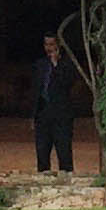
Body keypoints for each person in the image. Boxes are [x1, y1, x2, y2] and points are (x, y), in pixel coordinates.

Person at [32, 31, 74, 174]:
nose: (48, 48)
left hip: (61, 114)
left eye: (52, 44)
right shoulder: (40, 64)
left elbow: (67, 84)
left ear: (58, 45)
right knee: (42, 149)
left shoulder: (66, 64)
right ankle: (43, 177)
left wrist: (56, 65)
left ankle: (66, 178)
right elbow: (36, 89)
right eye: (46, 44)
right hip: (43, 113)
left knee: (63, 149)